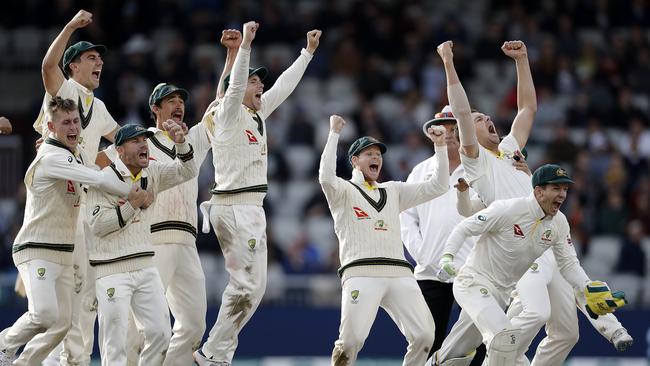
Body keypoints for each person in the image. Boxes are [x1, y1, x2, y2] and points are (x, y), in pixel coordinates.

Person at [433, 40, 632, 366]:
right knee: (534, 311)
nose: (485, 120)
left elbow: (527, 110)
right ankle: (499, 357)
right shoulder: (475, 160)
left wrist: (523, 60)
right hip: (515, 242)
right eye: (479, 119)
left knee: (568, 333)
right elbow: (462, 113)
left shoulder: (511, 148)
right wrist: (448, 62)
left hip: (546, 233)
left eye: (485, 117)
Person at [194, 21, 321, 365]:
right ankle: (210, 354)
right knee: (246, 286)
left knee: (256, 289)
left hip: (252, 207)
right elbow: (232, 88)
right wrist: (246, 45)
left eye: (259, 80)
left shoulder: (257, 112)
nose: (260, 84)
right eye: (254, 80)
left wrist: (306, 54)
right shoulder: (228, 112)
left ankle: (218, 353)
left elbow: (284, 86)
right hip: (233, 204)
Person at [437, 164, 626, 365]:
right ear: (538, 191)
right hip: (473, 283)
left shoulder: (559, 222)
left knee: (458, 351)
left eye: (565, 189)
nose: (562, 195)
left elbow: (569, 264)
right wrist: (448, 256)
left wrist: (587, 286)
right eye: (556, 188)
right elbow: (464, 227)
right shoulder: (510, 209)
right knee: (505, 338)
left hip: (500, 295)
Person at [0, 97, 130, 366]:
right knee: (45, 315)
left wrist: (124, 151)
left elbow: (95, 170)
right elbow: (96, 178)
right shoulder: (52, 157)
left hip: (64, 253)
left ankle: (22, 363)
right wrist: (133, 192)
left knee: (62, 325)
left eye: (76, 122)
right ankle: (4, 345)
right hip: (37, 248)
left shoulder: (75, 156)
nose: (73, 127)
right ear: (50, 126)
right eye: (66, 122)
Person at [321, 115, 449, 365]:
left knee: (425, 335)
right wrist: (334, 133)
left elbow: (438, 186)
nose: (376, 158)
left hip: (399, 273)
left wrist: (440, 147)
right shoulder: (343, 191)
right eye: (368, 154)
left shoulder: (393, 190)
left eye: (379, 154)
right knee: (350, 342)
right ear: (354, 161)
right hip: (360, 272)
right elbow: (325, 178)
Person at [35, 10, 122, 365]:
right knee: (56, 291)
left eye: (100, 58)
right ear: (73, 67)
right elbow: (46, 66)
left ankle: (77, 359)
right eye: (90, 57)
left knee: (85, 291)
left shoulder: (97, 107)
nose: (98, 62)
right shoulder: (66, 91)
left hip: (84, 204)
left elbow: (119, 143)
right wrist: (70, 26)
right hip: (55, 201)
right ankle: (47, 358)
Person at [86, 122, 198, 365]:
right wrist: (131, 206)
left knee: (161, 334)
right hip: (111, 269)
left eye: (145, 140)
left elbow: (187, 172)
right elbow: (98, 225)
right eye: (136, 141)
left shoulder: (153, 172)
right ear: (120, 150)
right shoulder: (103, 179)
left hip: (146, 266)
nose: (144, 144)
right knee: (115, 343)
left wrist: (181, 143)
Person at [399, 106, 486, 364]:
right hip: (431, 271)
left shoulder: (478, 169)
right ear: (432, 133)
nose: (448, 134)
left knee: (478, 341)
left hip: (473, 269)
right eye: (443, 129)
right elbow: (406, 217)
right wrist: (423, 255)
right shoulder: (420, 171)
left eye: (454, 128)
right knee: (426, 340)